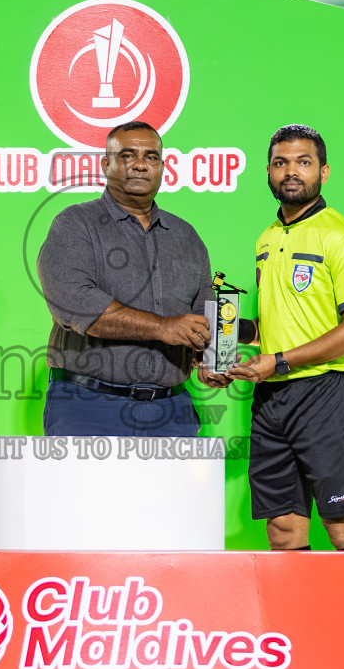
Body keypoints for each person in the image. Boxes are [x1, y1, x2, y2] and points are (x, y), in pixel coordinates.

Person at [205, 124, 344, 551]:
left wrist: (278, 361)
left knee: (343, 522)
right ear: (268, 171)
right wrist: (222, 335)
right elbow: (273, 326)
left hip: (325, 393)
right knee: (282, 528)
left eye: (304, 162)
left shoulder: (342, 236)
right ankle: (298, 619)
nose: (291, 172)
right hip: (271, 399)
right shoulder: (267, 238)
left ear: (324, 171)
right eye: (281, 163)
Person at [36, 121, 215, 436]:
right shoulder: (76, 224)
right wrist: (163, 328)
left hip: (171, 411)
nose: (140, 165)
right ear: (106, 164)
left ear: (162, 166)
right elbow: (75, 305)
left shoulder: (186, 236)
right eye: (127, 155)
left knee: (173, 489)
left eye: (151, 157)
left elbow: (204, 316)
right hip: (88, 407)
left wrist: (212, 360)